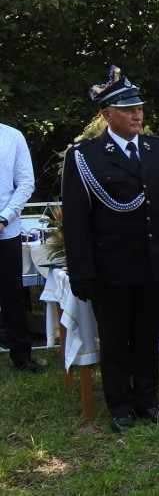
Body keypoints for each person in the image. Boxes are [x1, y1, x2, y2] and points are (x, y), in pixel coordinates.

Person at [62, 67, 159, 433]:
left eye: (139, 108)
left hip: (153, 262)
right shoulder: (85, 157)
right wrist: (82, 271)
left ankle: (148, 400)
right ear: (106, 114)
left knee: (148, 335)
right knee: (116, 339)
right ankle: (119, 405)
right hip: (112, 266)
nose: (137, 115)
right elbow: (76, 221)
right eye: (127, 109)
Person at [0, 123, 42, 373]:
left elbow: (25, 182)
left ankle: (22, 356)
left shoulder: (13, 136)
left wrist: (4, 218)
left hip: (6, 229)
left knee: (12, 294)